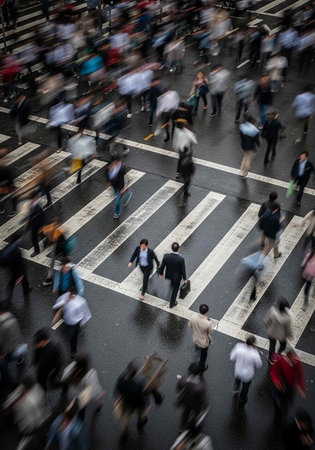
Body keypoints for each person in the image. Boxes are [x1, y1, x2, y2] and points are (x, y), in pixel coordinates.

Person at [4, 377, 51, 450]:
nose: (23, 389)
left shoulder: (34, 397)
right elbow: (9, 404)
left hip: (31, 426)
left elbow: (40, 409)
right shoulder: (31, 390)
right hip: (27, 425)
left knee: (32, 441)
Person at [114, 360, 151, 442]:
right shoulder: (139, 383)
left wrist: (119, 398)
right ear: (136, 373)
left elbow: (117, 390)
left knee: (126, 418)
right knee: (141, 414)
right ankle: (140, 424)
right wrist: (146, 404)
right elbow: (143, 396)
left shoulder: (121, 377)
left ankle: (123, 435)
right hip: (137, 404)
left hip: (126, 403)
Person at [60, 353, 105, 418]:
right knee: (82, 409)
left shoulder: (70, 368)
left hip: (72, 394)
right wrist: (99, 394)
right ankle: (81, 418)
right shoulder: (90, 374)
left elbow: (63, 378)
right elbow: (93, 389)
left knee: (73, 408)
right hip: (82, 397)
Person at [52, 287, 92, 358]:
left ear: (75, 294)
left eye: (71, 295)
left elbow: (85, 312)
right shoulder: (65, 297)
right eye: (69, 294)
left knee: (72, 337)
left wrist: (84, 323)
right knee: (68, 336)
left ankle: (73, 351)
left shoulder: (81, 302)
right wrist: (56, 317)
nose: (69, 296)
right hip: (67, 321)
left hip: (75, 323)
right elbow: (60, 305)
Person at [270, 350, 306, 421]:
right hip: (279, 384)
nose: (294, 360)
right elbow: (274, 372)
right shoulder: (280, 360)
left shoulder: (297, 362)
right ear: (288, 356)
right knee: (276, 400)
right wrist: (277, 382)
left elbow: (300, 375)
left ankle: (284, 410)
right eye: (293, 357)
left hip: (289, 385)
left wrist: (301, 387)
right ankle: (278, 414)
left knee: (287, 400)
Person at [175, 362, 208, 433]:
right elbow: (203, 398)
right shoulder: (200, 385)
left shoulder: (183, 379)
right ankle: (192, 427)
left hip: (185, 401)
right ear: (198, 373)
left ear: (189, 370)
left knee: (185, 413)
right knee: (196, 414)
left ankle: (182, 428)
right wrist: (205, 407)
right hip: (196, 404)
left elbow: (178, 388)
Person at [230, 335, 263, 405]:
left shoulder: (238, 347)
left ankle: (235, 390)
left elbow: (232, 358)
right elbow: (259, 365)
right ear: (254, 343)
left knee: (237, 381)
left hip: (238, 371)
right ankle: (242, 399)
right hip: (248, 374)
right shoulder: (255, 353)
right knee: (245, 387)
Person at [0, 233, 32, 303]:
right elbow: (20, 263)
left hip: (11, 268)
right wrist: (21, 272)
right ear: (17, 240)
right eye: (19, 238)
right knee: (22, 278)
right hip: (18, 269)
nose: (21, 240)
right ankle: (26, 290)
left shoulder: (8, 246)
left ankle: (8, 296)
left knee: (13, 281)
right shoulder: (17, 250)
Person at [32, 327, 63, 392]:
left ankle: (64, 384)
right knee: (41, 383)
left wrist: (52, 373)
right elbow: (36, 353)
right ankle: (43, 394)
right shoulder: (39, 345)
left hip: (51, 370)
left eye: (37, 343)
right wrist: (34, 363)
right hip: (42, 371)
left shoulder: (54, 348)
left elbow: (57, 363)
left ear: (43, 341)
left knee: (53, 384)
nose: (36, 345)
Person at [0, 302, 24, 386]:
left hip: (7, 349)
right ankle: (21, 357)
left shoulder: (2, 325)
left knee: (2, 365)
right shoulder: (12, 318)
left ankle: (9, 382)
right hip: (15, 343)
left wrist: (3, 353)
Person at [264, 298, 293, 364]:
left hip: (272, 333)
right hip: (281, 335)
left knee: (272, 345)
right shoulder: (287, 318)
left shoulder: (272, 311)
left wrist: (269, 327)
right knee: (283, 345)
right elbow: (288, 329)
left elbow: (266, 321)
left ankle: (271, 358)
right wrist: (290, 336)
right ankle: (278, 355)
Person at [158, 242, 187, 308]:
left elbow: (162, 266)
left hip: (169, 275)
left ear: (172, 248)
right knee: (175, 290)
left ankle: (171, 285)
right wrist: (185, 279)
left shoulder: (166, 256)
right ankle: (172, 303)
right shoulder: (181, 259)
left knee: (172, 283)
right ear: (178, 249)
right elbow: (183, 270)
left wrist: (160, 273)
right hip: (177, 277)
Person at [188, 305, 212, 372]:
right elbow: (210, 332)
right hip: (204, 342)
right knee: (203, 354)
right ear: (206, 312)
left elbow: (190, 325)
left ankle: (193, 363)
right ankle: (201, 366)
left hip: (196, 339)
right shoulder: (208, 323)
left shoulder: (193, 318)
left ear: (199, 310)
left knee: (196, 350)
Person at [239, 115, 261, 179]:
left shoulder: (243, 127)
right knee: (248, 159)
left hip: (243, 145)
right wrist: (258, 144)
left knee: (245, 156)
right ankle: (245, 173)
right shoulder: (254, 130)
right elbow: (257, 140)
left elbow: (241, 135)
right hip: (250, 147)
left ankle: (242, 169)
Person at [27, 190, 46, 257]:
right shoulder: (32, 205)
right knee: (33, 238)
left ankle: (45, 243)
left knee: (42, 234)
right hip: (34, 225)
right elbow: (31, 215)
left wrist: (42, 226)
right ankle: (36, 250)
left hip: (38, 225)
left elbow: (42, 217)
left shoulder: (38, 207)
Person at [301, 247, 315, 311]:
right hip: (309, 274)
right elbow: (303, 263)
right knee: (307, 288)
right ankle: (305, 301)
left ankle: (314, 291)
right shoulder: (310, 254)